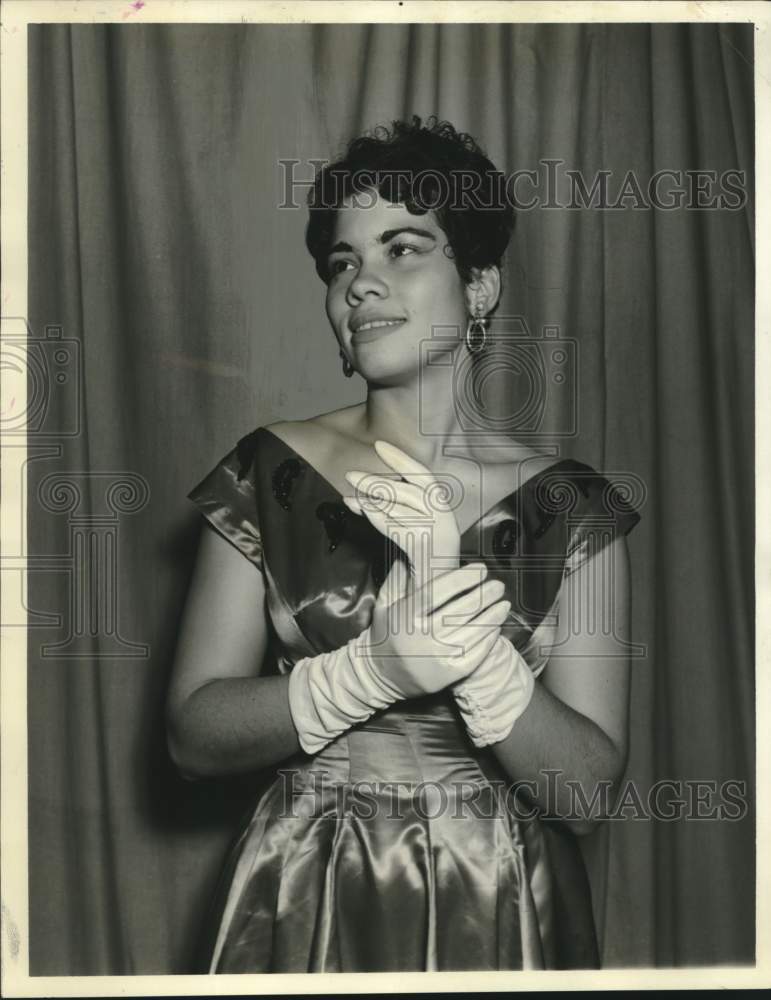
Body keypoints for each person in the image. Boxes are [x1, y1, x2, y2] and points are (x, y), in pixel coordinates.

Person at [166, 116, 641, 972]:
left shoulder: (572, 505)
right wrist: (371, 670)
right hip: (303, 883)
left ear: (482, 285)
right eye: (342, 261)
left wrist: (480, 667)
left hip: (497, 894)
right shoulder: (267, 471)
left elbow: (583, 795)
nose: (359, 284)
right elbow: (192, 739)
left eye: (403, 249)